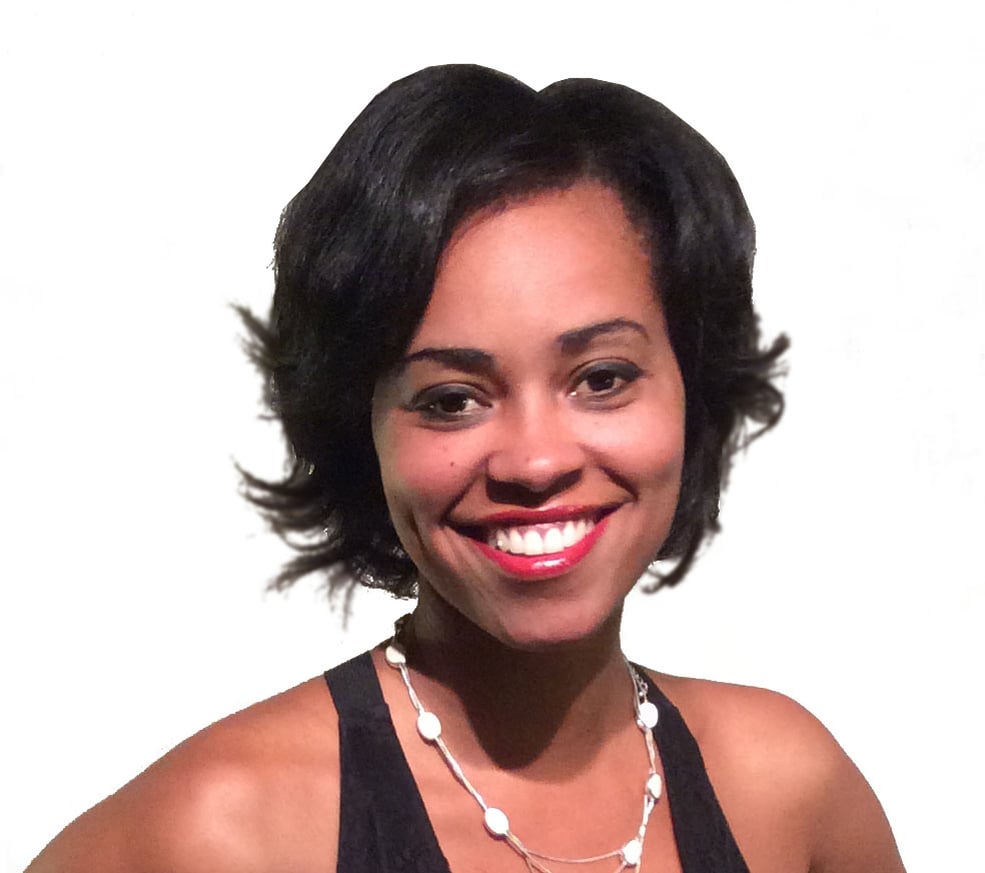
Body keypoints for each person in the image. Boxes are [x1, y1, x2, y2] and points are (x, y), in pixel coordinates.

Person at [27, 64, 905, 873]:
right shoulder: (224, 833)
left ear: (692, 391)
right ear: (358, 429)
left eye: (601, 378)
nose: (535, 460)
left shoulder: (788, 796)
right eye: (452, 398)